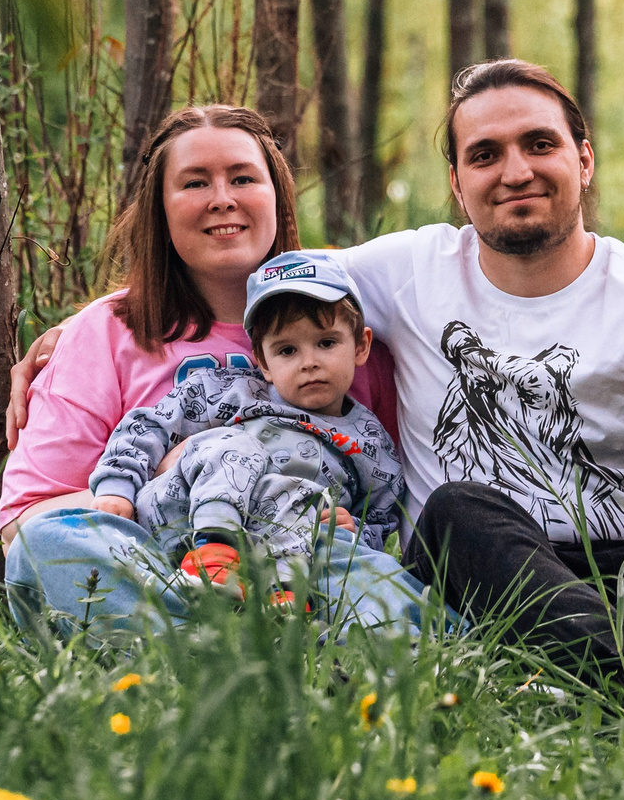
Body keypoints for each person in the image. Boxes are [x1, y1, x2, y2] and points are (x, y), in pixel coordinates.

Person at [7, 64, 624, 702]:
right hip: (497, 577)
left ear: (584, 159)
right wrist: (86, 323)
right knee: (454, 511)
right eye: (484, 154)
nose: (515, 170)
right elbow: (256, 286)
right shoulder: (395, 273)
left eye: (539, 144)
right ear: (456, 183)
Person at [0, 106, 430, 635]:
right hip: (163, 566)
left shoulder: (346, 319)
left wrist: (354, 530)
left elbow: (387, 488)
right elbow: (27, 519)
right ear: (160, 207)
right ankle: (226, 660)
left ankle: (258, 661)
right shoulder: (105, 333)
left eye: (244, 178)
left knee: (378, 586)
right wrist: (175, 472)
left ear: (276, 194)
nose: (223, 198)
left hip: (306, 561)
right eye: (195, 182)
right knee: (45, 551)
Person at [87, 250, 403, 599]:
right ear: (263, 362)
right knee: (234, 445)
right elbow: (147, 426)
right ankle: (213, 554)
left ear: (361, 345)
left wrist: (354, 528)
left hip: (289, 549)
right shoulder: (231, 391)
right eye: (287, 351)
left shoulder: (370, 443)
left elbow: (382, 520)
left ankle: (284, 603)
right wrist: (116, 487)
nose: (308, 363)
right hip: (179, 520)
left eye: (326, 343)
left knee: (308, 505)